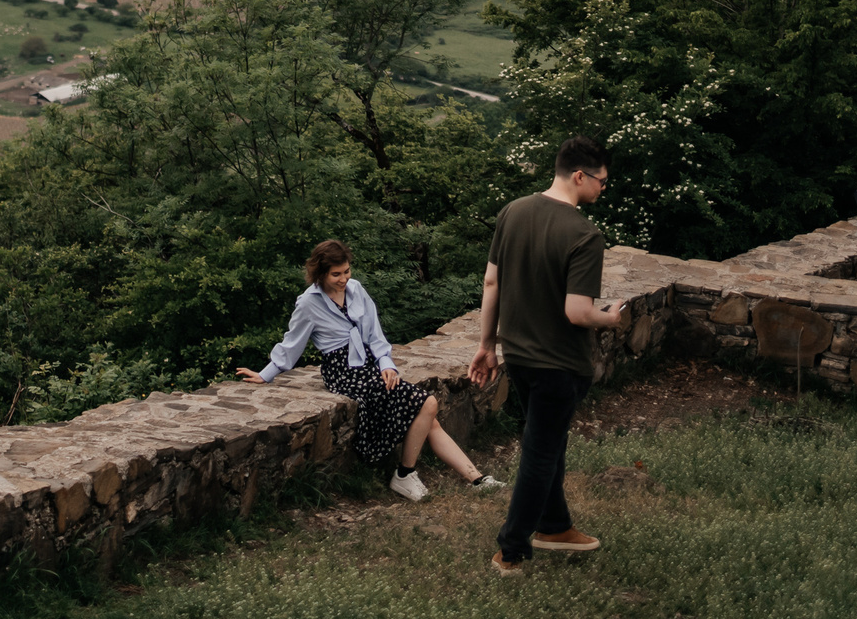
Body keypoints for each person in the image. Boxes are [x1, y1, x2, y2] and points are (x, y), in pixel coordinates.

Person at [469, 132, 627, 576]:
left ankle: (555, 527)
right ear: (579, 176)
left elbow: (491, 284)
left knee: (546, 442)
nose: (602, 188)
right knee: (540, 453)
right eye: (600, 181)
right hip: (559, 362)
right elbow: (577, 313)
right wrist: (610, 318)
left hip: (518, 356)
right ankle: (512, 548)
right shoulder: (584, 234)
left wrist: (486, 346)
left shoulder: (513, 212)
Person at [237, 239, 503, 501]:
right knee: (427, 402)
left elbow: (375, 335)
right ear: (320, 273)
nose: (343, 279)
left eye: (347, 271)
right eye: (336, 274)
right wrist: (266, 374)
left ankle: (475, 478)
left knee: (426, 413)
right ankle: (405, 474)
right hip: (341, 371)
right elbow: (291, 343)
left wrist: (387, 365)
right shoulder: (308, 303)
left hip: (368, 364)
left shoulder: (356, 289)